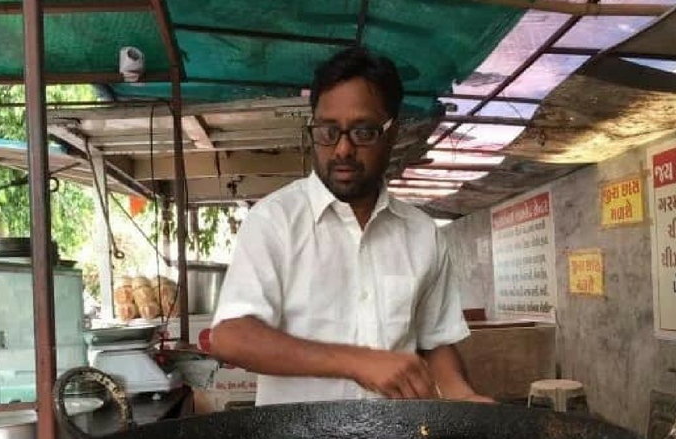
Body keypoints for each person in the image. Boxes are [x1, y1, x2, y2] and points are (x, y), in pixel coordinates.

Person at [209, 47, 488, 405]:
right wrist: (356, 361)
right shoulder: (274, 221)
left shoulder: (422, 234)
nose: (342, 149)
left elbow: (435, 342)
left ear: (392, 132)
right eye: (328, 131)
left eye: (363, 132)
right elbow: (231, 337)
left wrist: (462, 396)